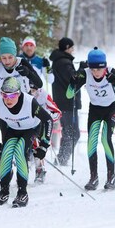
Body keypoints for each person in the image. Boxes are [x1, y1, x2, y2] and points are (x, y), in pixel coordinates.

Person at [67, 47, 115, 190]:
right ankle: (93, 177)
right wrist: (72, 83)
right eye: (92, 69)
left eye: (99, 69)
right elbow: (69, 95)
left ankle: (111, 176)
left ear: (104, 66)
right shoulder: (85, 73)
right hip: (95, 109)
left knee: (105, 140)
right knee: (91, 142)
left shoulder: (112, 72)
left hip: (110, 109)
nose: (95, 72)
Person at [0, 77, 53, 208]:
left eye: (12, 95)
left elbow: (48, 120)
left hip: (31, 129)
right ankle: (4, 191)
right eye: (4, 95)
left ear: (19, 93)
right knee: (6, 153)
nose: (8, 99)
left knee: (20, 152)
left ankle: (22, 192)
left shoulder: (30, 102)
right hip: (13, 129)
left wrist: (44, 145)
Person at [49, 37, 82, 166]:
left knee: (69, 131)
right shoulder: (64, 62)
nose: (73, 50)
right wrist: (81, 70)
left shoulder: (61, 61)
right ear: (67, 48)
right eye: (72, 48)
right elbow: (73, 80)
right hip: (67, 103)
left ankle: (62, 158)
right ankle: (62, 159)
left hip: (64, 102)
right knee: (72, 133)